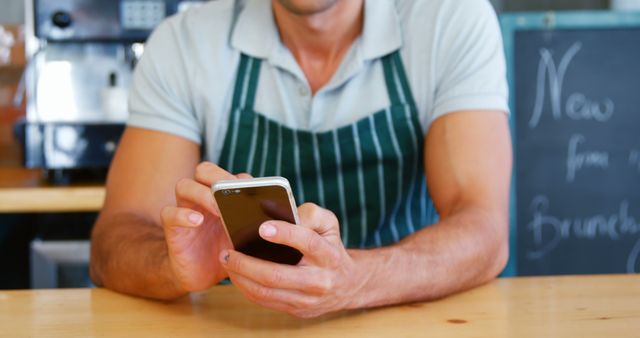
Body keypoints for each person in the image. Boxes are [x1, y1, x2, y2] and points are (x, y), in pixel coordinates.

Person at [90, 0, 512, 318]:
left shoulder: (450, 21)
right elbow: (114, 240)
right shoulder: (185, 43)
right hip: (244, 325)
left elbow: (485, 231)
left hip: (408, 319)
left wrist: (356, 278)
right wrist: (170, 267)